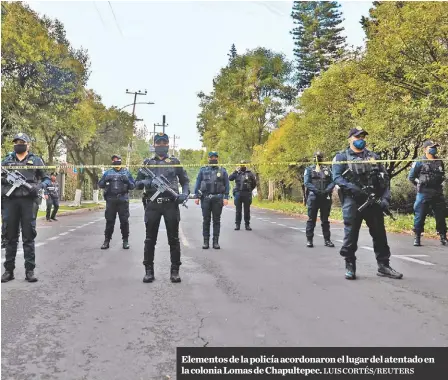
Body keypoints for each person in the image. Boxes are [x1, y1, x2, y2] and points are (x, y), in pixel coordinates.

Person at [332, 127, 403, 280]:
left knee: (380, 235)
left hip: (373, 199)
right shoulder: (341, 157)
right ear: (350, 139)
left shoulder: (374, 156)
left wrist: (385, 198)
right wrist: (352, 188)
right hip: (353, 200)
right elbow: (337, 178)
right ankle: (350, 265)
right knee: (350, 235)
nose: (361, 139)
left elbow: (385, 180)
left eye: (363, 136)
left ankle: (384, 265)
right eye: (358, 137)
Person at [135, 133, 190, 283]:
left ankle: (175, 271)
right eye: (158, 143)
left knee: (173, 239)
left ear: (168, 144)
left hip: (171, 204)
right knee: (150, 239)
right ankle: (148, 271)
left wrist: (184, 194)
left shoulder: (174, 161)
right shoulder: (147, 163)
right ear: (154, 145)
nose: (161, 145)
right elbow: (136, 184)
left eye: (164, 142)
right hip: (152, 204)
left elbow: (185, 181)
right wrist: (149, 183)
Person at [1, 133, 51, 283]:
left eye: (22, 142)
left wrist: (39, 186)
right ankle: (9, 271)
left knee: (28, 236)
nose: (18, 144)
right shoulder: (7, 160)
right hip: (10, 202)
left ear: (28, 145)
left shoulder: (35, 160)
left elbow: (47, 178)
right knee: (10, 237)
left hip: (29, 202)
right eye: (16, 142)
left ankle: (30, 270)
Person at [408, 140, 447, 246]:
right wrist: (420, 185)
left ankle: (443, 236)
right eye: (431, 147)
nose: (434, 148)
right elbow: (411, 177)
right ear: (425, 149)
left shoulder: (439, 161)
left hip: (437, 192)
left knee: (440, 216)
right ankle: (417, 237)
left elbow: (442, 175)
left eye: (435, 147)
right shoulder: (419, 161)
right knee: (419, 215)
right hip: (424, 192)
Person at [98, 155, 136, 249]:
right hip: (111, 200)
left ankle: (125, 241)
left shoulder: (126, 172)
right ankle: (106, 241)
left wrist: (128, 181)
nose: (116, 161)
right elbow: (100, 184)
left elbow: (133, 186)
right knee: (110, 221)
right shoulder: (108, 173)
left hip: (123, 200)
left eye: (117, 160)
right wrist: (105, 181)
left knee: (124, 221)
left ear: (120, 161)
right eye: (114, 160)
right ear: (112, 162)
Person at [194, 151, 230, 249]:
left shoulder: (222, 171)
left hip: (218, 199)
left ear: (217, 158)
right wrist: (196, 196)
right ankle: (206, 242)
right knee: (206, 220)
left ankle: (215, 242)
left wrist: (226, 197)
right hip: (205, 198)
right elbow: (197, 183)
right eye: (211, 157)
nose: (213, 159)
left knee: (216, 221)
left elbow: (227, 185)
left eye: (215, 157)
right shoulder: (203, 170)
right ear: (208, 159)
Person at [304, 152, 335, 248]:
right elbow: (307, 182)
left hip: (325, 197)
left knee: (325, 220)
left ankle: (327, 240)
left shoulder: (328, 170)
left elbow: (333, 181)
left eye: (319, 157)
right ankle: (309, 240)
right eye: (316, 157)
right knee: (311, 220)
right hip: (314, 197)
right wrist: (316, 190)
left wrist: (327, 190)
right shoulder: (309, 169)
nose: (317, 159)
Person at [229, 160, 257, 231]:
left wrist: (250, 189)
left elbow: (254, 183)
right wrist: (235, 171)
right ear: (239, 165)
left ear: (246, 165)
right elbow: (230, 178)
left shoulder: (250, 173)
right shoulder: (237, 173)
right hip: (238, 193)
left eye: (243, 164)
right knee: (238, 210)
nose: (242, 166)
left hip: (247, 193)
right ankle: (237, 225)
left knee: (247, 210)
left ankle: (247, 225)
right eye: (241, 165)